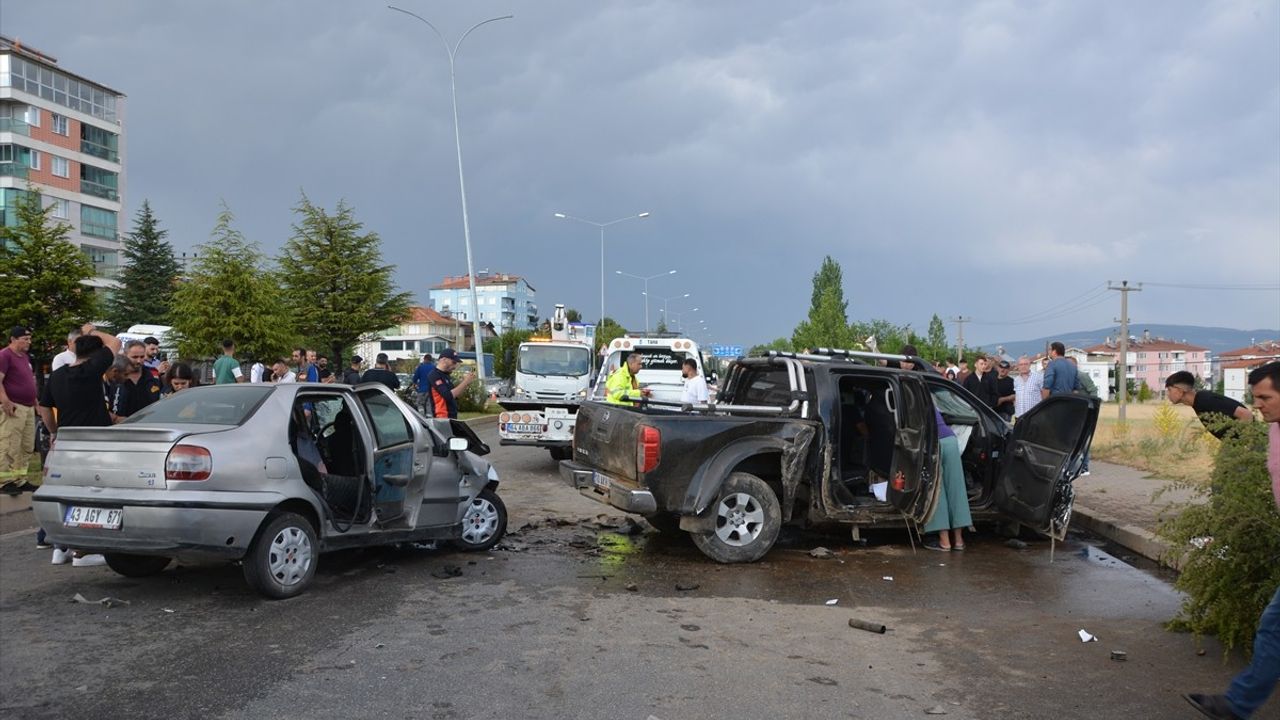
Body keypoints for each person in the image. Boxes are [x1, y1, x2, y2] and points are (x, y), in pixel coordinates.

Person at [1183, 361, 1280, 719]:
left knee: (1274, 625)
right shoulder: (1273, 430)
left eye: (1266, 397)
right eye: (1255, 398)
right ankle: (1236, 704)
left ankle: (1236, 705)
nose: (1258, 406)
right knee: (1274, 626)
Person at [37, 324, 121, 567]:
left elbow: (44, 407)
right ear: (95, 354)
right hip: (95, 441)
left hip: (66, 440)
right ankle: (82, 552)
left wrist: (54, 431)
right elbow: (114, 342)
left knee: (67, 493)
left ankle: (60, 547)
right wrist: (91, 331)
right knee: (93, 496)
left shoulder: (58, 374)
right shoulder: (93, 367)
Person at [922, 408, 972, 551]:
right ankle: (959, 541)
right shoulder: (928, 398)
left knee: (937, 489)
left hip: (933, 443)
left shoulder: (910, 399)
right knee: (956, 488)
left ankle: (944, 542)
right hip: (950, 440)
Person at [0, 326, 39, 494]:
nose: (28, 342)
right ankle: (4, 480)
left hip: (28, 407)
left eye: (29, 339)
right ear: (13, 339)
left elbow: (29, 381)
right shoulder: (4, 355)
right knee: (9, 444)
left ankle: (19, 478)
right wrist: (5, 400)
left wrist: (36, 402)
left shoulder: (25, 357)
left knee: (26, 445)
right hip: (14, 406)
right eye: (25, 339)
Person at [1165, 370, 1253, 440]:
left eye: (1169, 389)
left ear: (1180, 390)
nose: (1168, 394)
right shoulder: (1198, 403)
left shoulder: (1205, 400)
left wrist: (1243, 445)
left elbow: (1246, 415)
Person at [111, 340, 164, 421]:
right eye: (135, 357)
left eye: (142, 357)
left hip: (148, 425)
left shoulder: (154, 376)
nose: (139, 361)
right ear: (125, 355)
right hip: (120, 427)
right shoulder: (114, 377)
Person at [425, 348, 476, 419]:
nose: (454, 366)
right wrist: (465, 382)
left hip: (451, 416)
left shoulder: (446, 375)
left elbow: (455, 395)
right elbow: (448, 395)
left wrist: (465, 383)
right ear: (444, 360)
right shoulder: (434, 375)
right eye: (453, 362)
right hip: (442, 417)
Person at [1012, 355, 1043, 419]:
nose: (1023, 366)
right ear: (1018, 366)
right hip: (1019, 416)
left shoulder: (1038, 377)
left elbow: (1044, 394)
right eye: (1021, 364)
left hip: (1034, 415)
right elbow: (1016, 396)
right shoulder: (1016, 380)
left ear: (1030, 365)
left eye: (1026, 364)